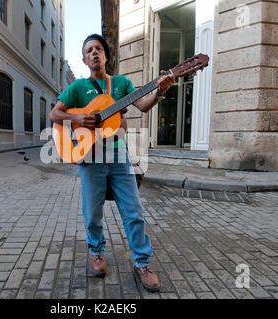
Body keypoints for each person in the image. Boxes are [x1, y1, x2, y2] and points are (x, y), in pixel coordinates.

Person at [49, 34, 175, 292]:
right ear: (84, 60)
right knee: (93, 213)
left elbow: (143, 105)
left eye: (98, 49)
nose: (94, 53)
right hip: (90, 157)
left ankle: (142, 262)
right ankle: (97, 252)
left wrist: (159, 93)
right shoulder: (77, 89)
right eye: (89, 51)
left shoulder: (121, 84)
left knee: (134, 212)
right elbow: (54, 113)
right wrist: (82, 118)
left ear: (106, 55)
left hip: (119, 157)